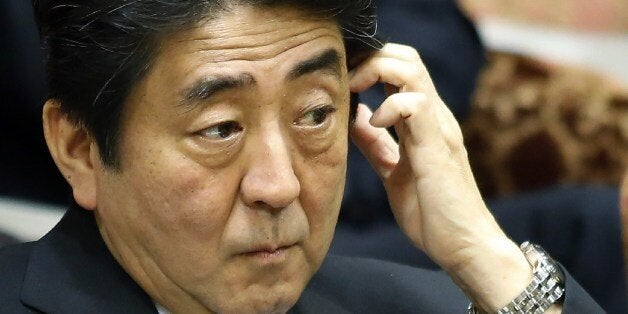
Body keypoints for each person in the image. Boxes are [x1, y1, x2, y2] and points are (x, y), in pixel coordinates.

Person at [0, 1, 602, 313]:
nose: (280, 185)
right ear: (79, 148)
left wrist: (481, 253)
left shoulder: (428, 305)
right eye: (221, 129)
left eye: (315, 115)